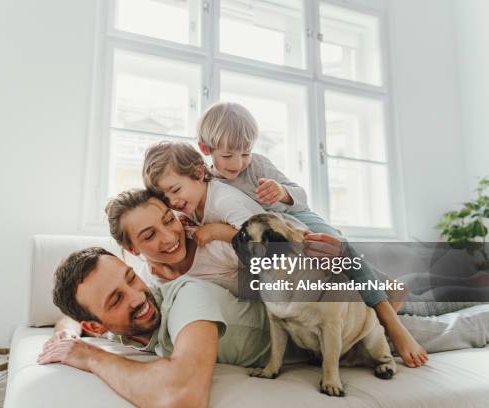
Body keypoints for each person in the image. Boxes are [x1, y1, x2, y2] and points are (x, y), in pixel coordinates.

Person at [38, 245, 489, 407]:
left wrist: (88, 355)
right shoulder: (114, 328)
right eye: (117, 299)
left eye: (132, 278)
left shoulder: (184, 299)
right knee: (428, 298)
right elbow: (71, 317)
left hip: (339, 316)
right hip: (321, 325)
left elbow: (181, 395)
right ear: (97, 325)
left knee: (453, 324)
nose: (138, 296)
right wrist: (69, 330)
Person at [141, 140, 430, 367]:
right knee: (399, 301)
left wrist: (217, 231)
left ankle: (410, 296)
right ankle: (414, 290)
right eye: (166, 198)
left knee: (389, 302)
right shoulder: (198, 206)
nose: (174, 202)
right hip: (295, 273)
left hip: (306, 258)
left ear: (198, 173)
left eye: (175, 190)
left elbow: (258, 244)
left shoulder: (225, 200)